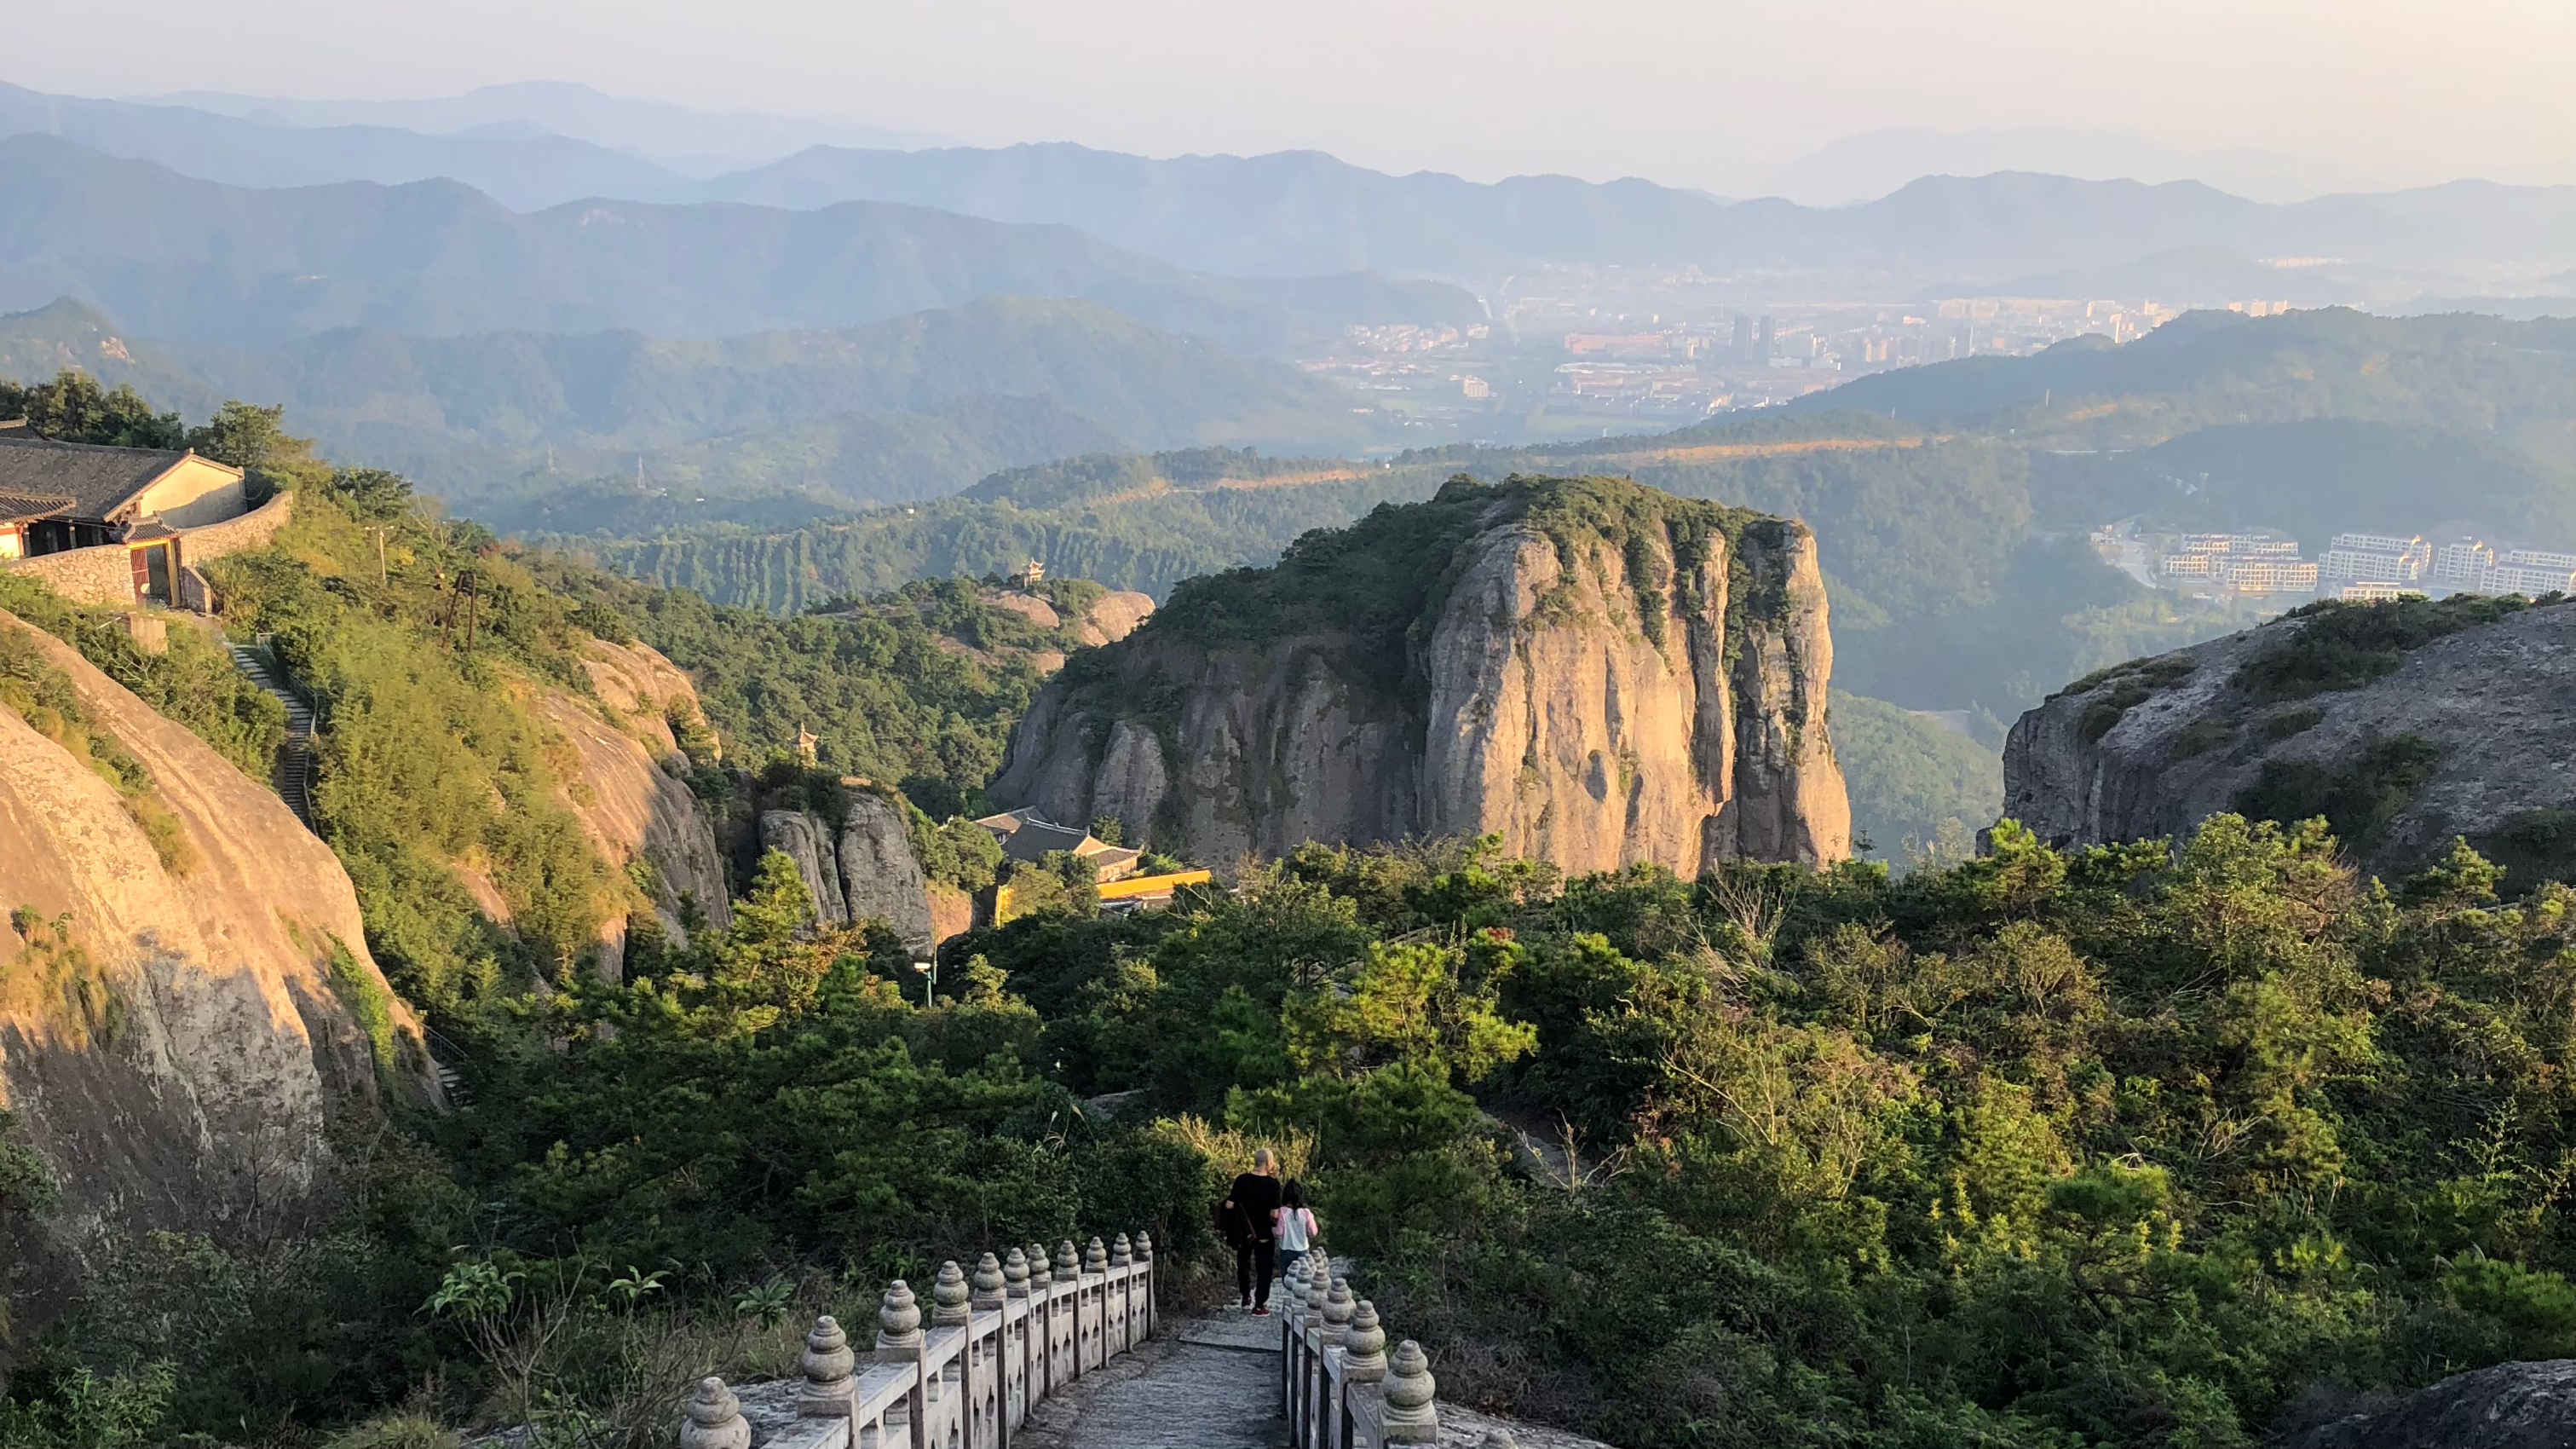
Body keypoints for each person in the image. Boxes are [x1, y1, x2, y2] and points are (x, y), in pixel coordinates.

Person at [1221, 1147, 1283, 1313]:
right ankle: (1259, 1305)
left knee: (1243, 1263)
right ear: (1269, 1163)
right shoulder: (1273, 1184)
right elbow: (1275, 1214)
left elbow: (1229, 1204)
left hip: (1244, 1231)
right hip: (1263, 1233)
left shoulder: (1242, 1180)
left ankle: (1245, 1297)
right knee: (1264, 1267)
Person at [1273, 1179, 1320, 1283]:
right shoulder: (1306, 1213)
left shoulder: (1283, 1212)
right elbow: (1313, 1232)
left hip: (1286, 1250)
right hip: (1302, 1250)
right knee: (1302, 1280)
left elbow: (1279, 1233)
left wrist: (1273, 1229)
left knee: (1287, 1279)